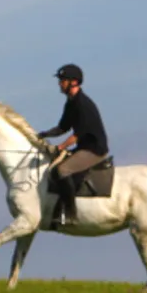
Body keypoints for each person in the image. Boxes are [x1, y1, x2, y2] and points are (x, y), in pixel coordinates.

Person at [36, 63, 109, 229]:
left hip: (94, 149)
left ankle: (70, 214)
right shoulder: (70, 103)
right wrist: (44, 134)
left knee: (61, 170)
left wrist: (61, 147)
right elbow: (63, 127)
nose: (60, 84)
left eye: (63, 80)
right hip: (82, 147)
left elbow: (78, 134)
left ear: (73, 82)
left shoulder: (82, 103)